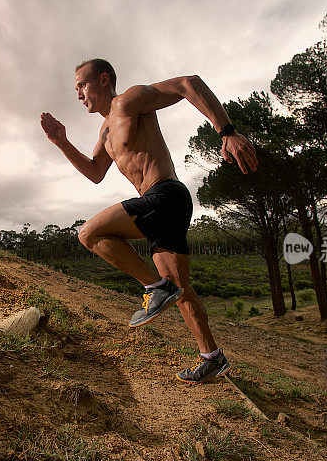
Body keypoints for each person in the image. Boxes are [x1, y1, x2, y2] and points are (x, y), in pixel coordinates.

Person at [40, 58, 257, 384]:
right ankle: (212, 357)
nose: (79, 94)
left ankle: (155, 286)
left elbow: (187, 83)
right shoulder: (106, 130)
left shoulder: (128, 101)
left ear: (103, 80)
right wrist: (62, 142)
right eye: (76, 90)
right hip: (160, 208)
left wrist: (227, 131)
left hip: (165, 196)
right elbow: (95, 173)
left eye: (82, 86)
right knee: (181, 291)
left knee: (89, 234)